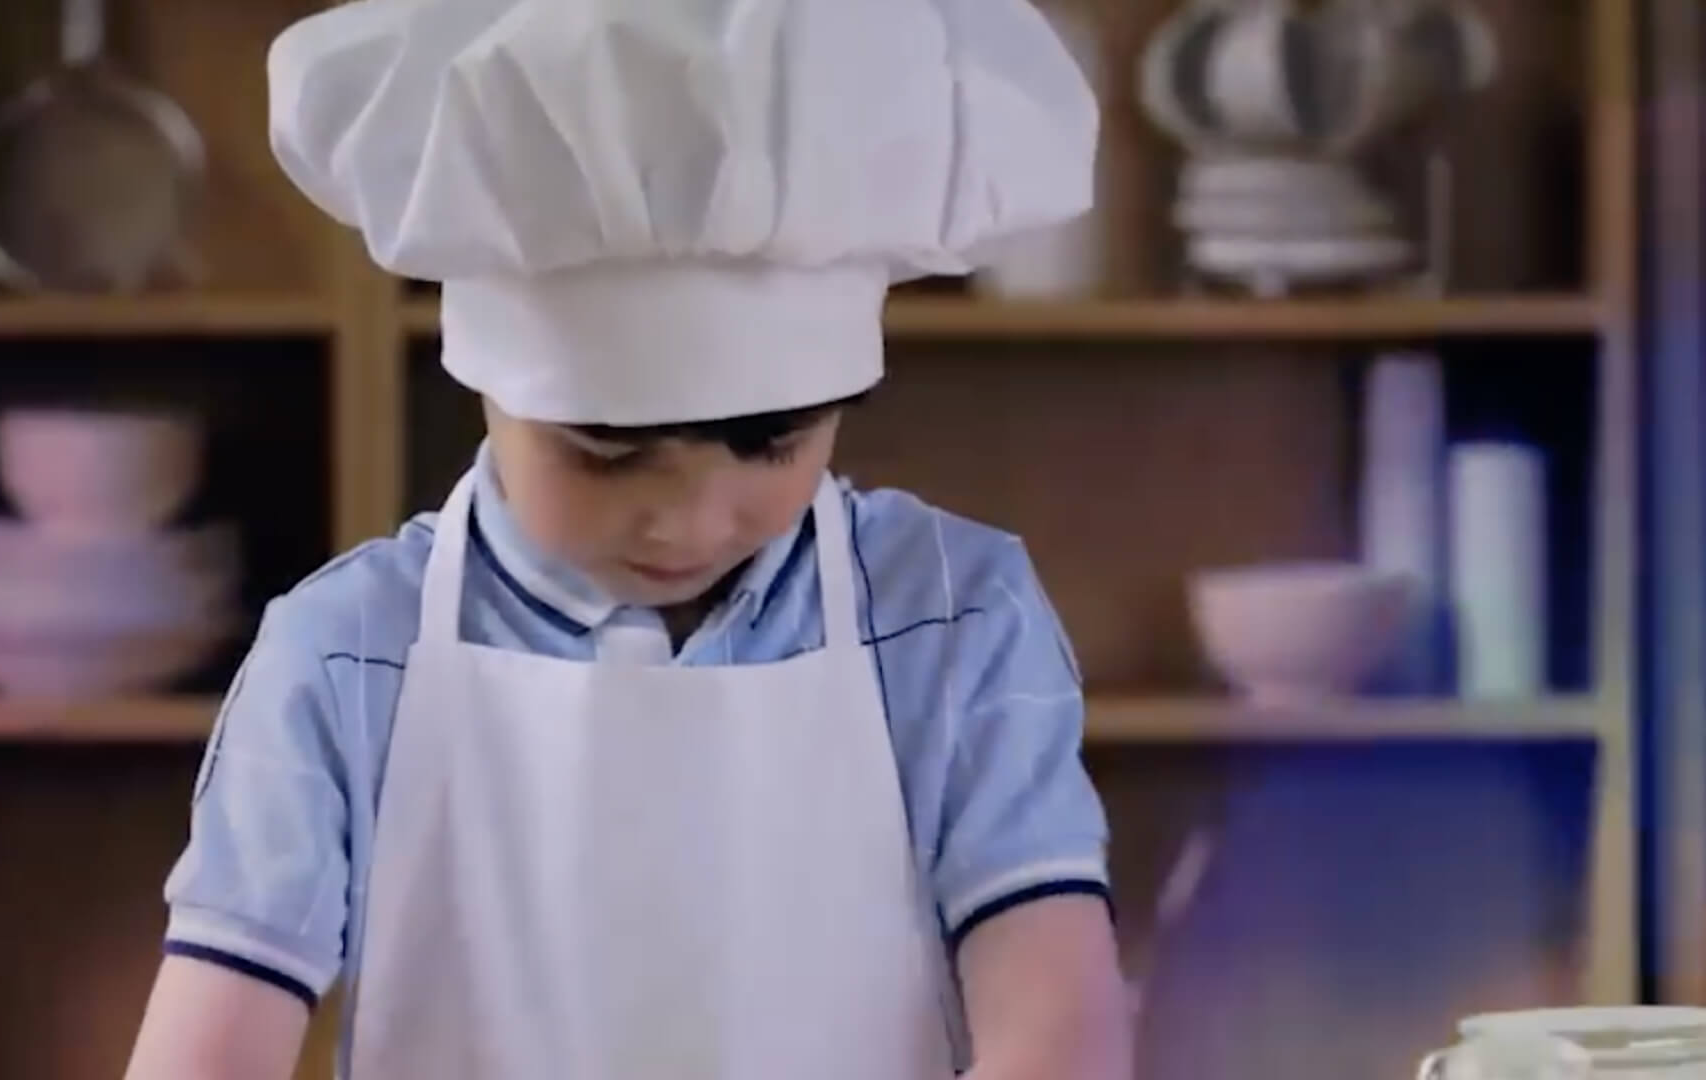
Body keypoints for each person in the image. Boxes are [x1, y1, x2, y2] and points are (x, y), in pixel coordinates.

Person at [123, 0, 1128, 1077]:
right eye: (604, 449)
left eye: (768, 442)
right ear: (485, 383)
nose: (688, 518)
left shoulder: (953, 616)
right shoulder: (348, 654)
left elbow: (1057, 1023)